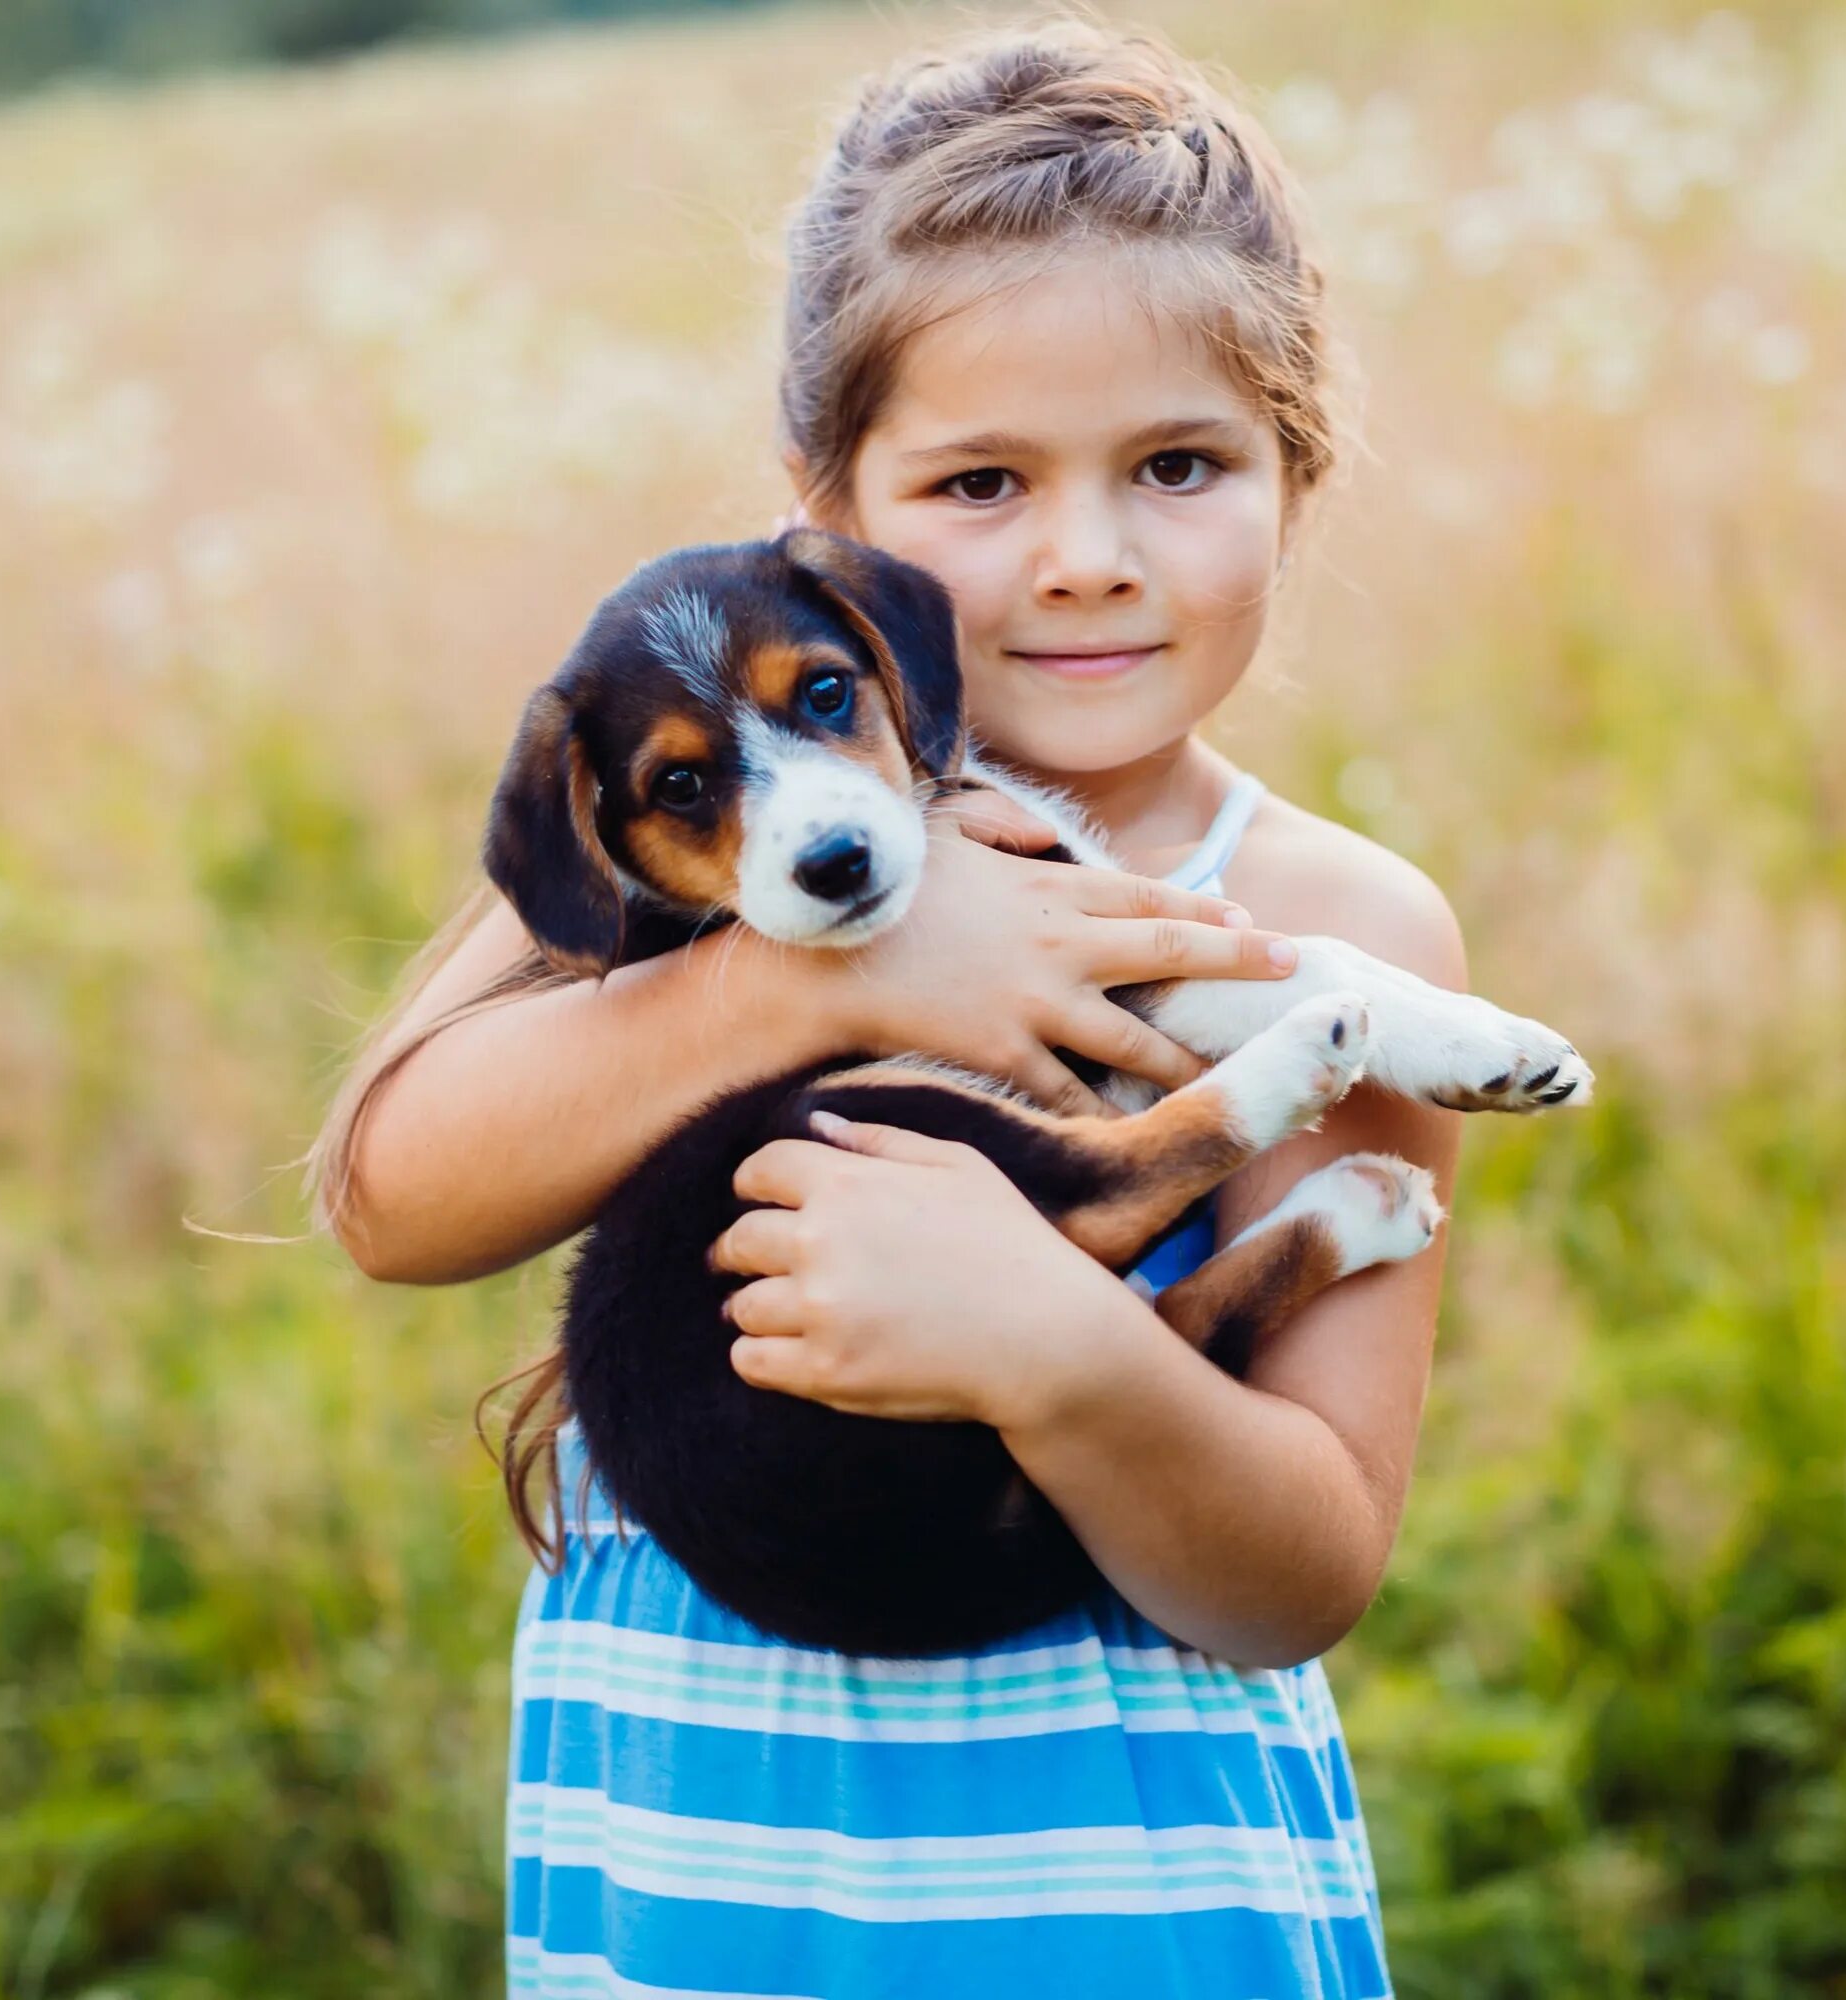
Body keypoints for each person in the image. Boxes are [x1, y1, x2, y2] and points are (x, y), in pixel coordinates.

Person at [310, 19, 1474, 1995]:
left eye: (1177, 466)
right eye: (981, 479)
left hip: (1103, 1895)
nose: (1084, 560)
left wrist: (1058, 1350)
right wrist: (814, 980)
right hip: (704, 1875)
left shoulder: (1328, 930)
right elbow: (390, 1194)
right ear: (825, 516)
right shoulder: (691, 836)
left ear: (1299, 468)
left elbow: (1303, 1575)